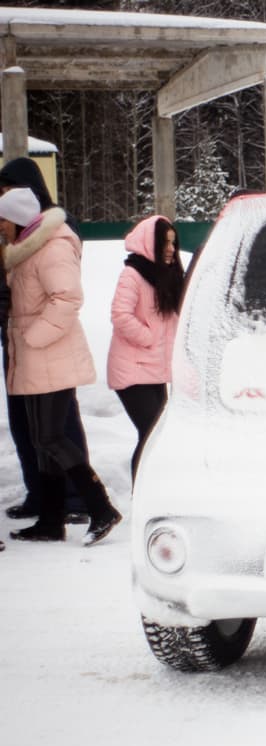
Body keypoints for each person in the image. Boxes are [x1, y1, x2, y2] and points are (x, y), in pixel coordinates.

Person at [0, 188, 122, 545]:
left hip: (52, 354)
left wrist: (32, 337)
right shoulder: (25, 251)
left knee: (52, 436)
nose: (0, 227)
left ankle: (102, 508)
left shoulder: (52, 248)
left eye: (3, 220)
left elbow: (68, 298)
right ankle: (52, 521)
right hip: (35, 357)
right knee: (41, 440)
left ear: (18, 219)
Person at [0, 157, 91, 524]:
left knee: (58, 424)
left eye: (7, 191)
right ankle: (40, 493)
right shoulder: (15, 234)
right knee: (25, 423)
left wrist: (33, 337)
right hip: (18, 341)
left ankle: (78, 499)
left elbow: (65, 295)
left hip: (46, 345)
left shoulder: (54, 232)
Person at [108, 215, 185, 483]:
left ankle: (157, 490)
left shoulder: (167, 276)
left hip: (154, 370)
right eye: (164, 243)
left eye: (173, 243)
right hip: (131, 370)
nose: (170, 249)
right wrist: (149, 338)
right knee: (151, 433)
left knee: (157, 435)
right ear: (148, 243)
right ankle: (141, 493)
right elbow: (120, 315)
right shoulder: (133, 274)